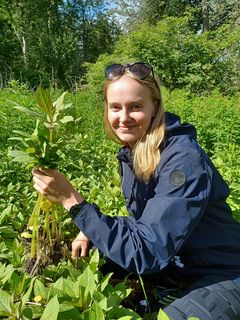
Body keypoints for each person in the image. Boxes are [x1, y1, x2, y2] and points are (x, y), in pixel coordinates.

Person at [32, 62, 240, 320]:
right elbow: (149, 225)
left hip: (224, 274)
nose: (123, 117)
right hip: (175, 263)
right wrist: (90, 229)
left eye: (136, 107)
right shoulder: (136, 152)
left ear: (155, 107)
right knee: (93, 251)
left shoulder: (182, 161)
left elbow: (147, 249)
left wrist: (73, 203)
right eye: (115, 107)